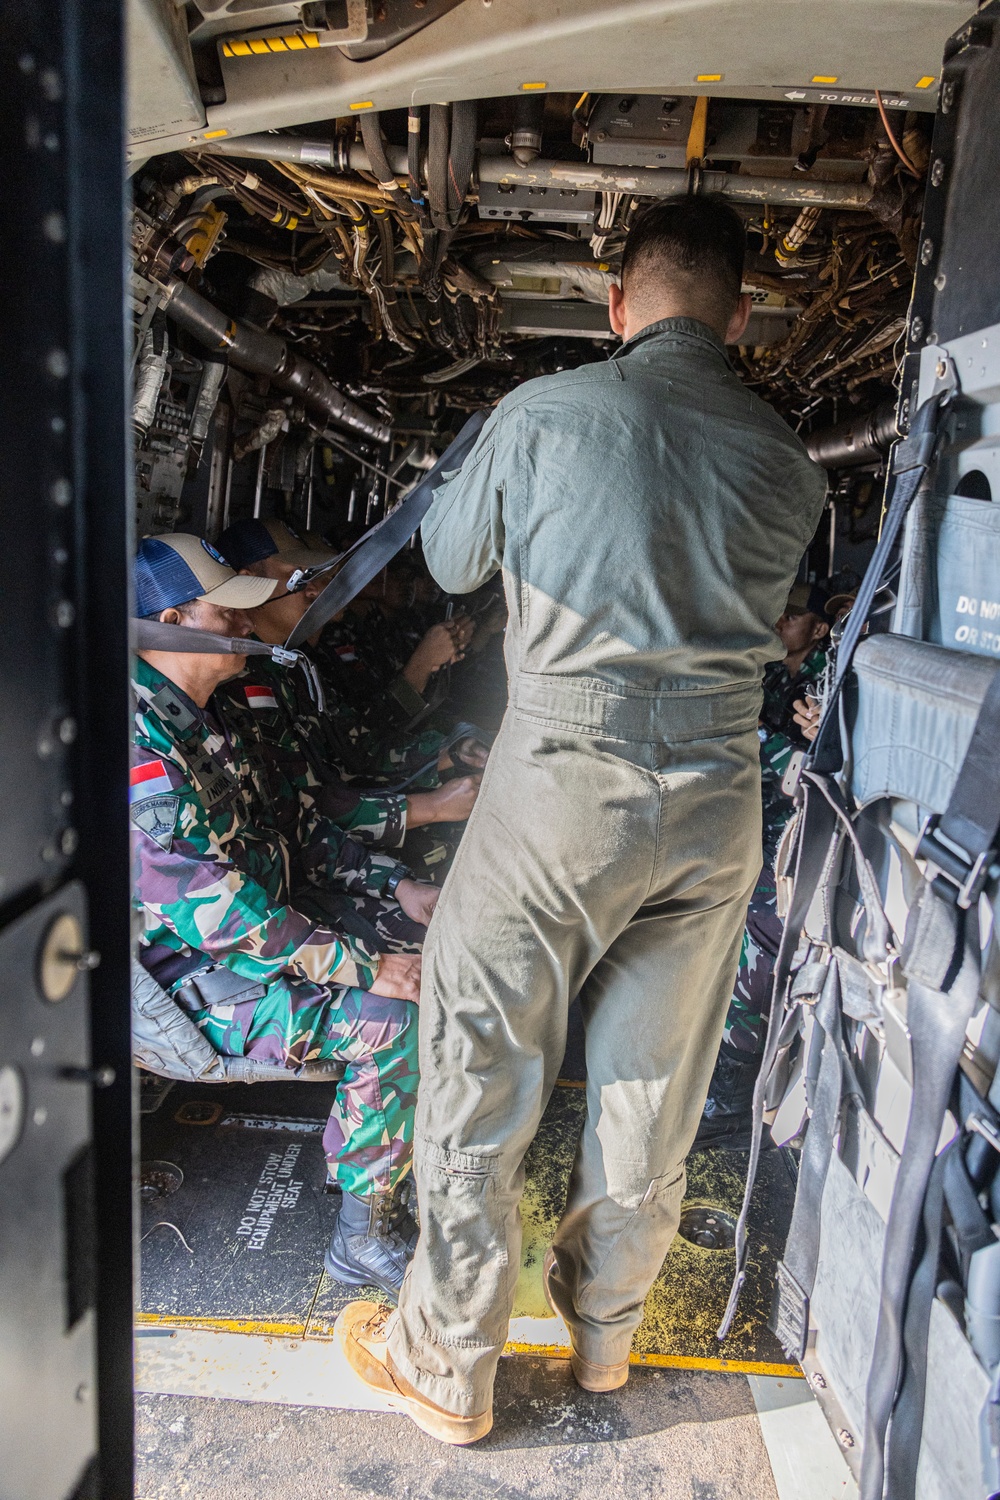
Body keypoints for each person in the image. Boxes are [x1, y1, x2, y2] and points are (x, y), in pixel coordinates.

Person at [336, 195, 828, 1442]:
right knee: (650, 1085)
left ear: (617, 303)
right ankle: (604, 1340)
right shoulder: (788, 462)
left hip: (562, 776)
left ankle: (447, 1360)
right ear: (744, 313)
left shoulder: (545, 412)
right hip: (717, 798)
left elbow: (449, 564)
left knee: (480, 1060)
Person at [130, 532, 428, 1297]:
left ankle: (417, 1155)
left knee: (438, 954)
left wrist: (398, 889)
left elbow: (292, 835)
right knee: (392, 1021)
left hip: (266, 937)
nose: (241, 626)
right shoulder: (142, 748)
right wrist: (368, 967)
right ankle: (363, 1235)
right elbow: (219, 920)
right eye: (222, 612)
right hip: (184, 980)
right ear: (170, 622)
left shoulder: (203, 718)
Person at [216, 517, 484, 881]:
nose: (322, 590)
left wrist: (447, 755)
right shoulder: (238, 684)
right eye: (302, 578)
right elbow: (303, 809)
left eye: (322, 577)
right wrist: (426, 808)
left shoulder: (293, 668)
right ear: (249, 583)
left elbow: (359, 748)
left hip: (333, 851)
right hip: (306, 869)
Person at [695, 581, 832, 1149]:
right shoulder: (774, 674)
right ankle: (719, 1065)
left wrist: (768, 740)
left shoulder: (835, 679)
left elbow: (813, 765)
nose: (781, 620)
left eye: (794, 615)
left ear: (820, 629)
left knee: (761, 957)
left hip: (804, 840)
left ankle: (730, 1100)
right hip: (756, 827)